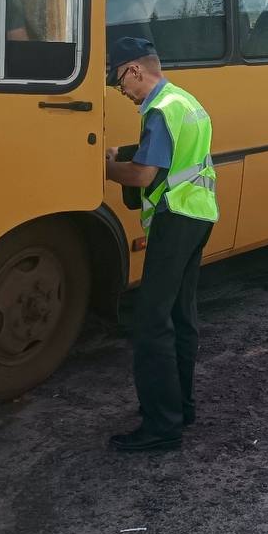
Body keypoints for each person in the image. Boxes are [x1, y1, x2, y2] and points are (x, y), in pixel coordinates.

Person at [104, 36, 218, 452]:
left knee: (151, 322)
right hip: (199, 214)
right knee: (179, 315)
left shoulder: (158, 109)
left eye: (119, 82)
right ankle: (181, 407)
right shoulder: (184, 101)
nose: (122, 92)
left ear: (135, 69)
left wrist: (105, 167)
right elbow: (180, 155)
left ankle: (161, 426)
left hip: (175, 217)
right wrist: (129, 151)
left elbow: (141, 177)